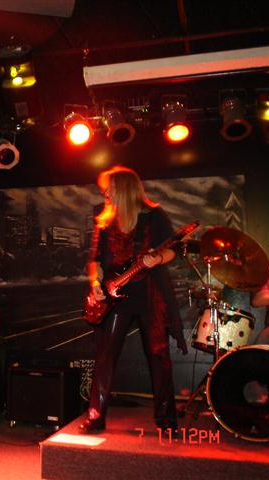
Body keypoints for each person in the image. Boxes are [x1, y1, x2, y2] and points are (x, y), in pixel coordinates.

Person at [81, 166, 187, 434]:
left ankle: (167, 420)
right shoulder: (105, 221)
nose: (105, 193)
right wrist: (95, 283)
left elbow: (172, 251)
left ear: (124, 189)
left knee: (158, 353)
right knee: (106, 354)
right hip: (116, 295)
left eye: (109, 189)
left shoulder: (153, 216)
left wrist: (157, 258)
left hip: (150, 291)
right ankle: (95, 416)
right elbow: (94, 261)